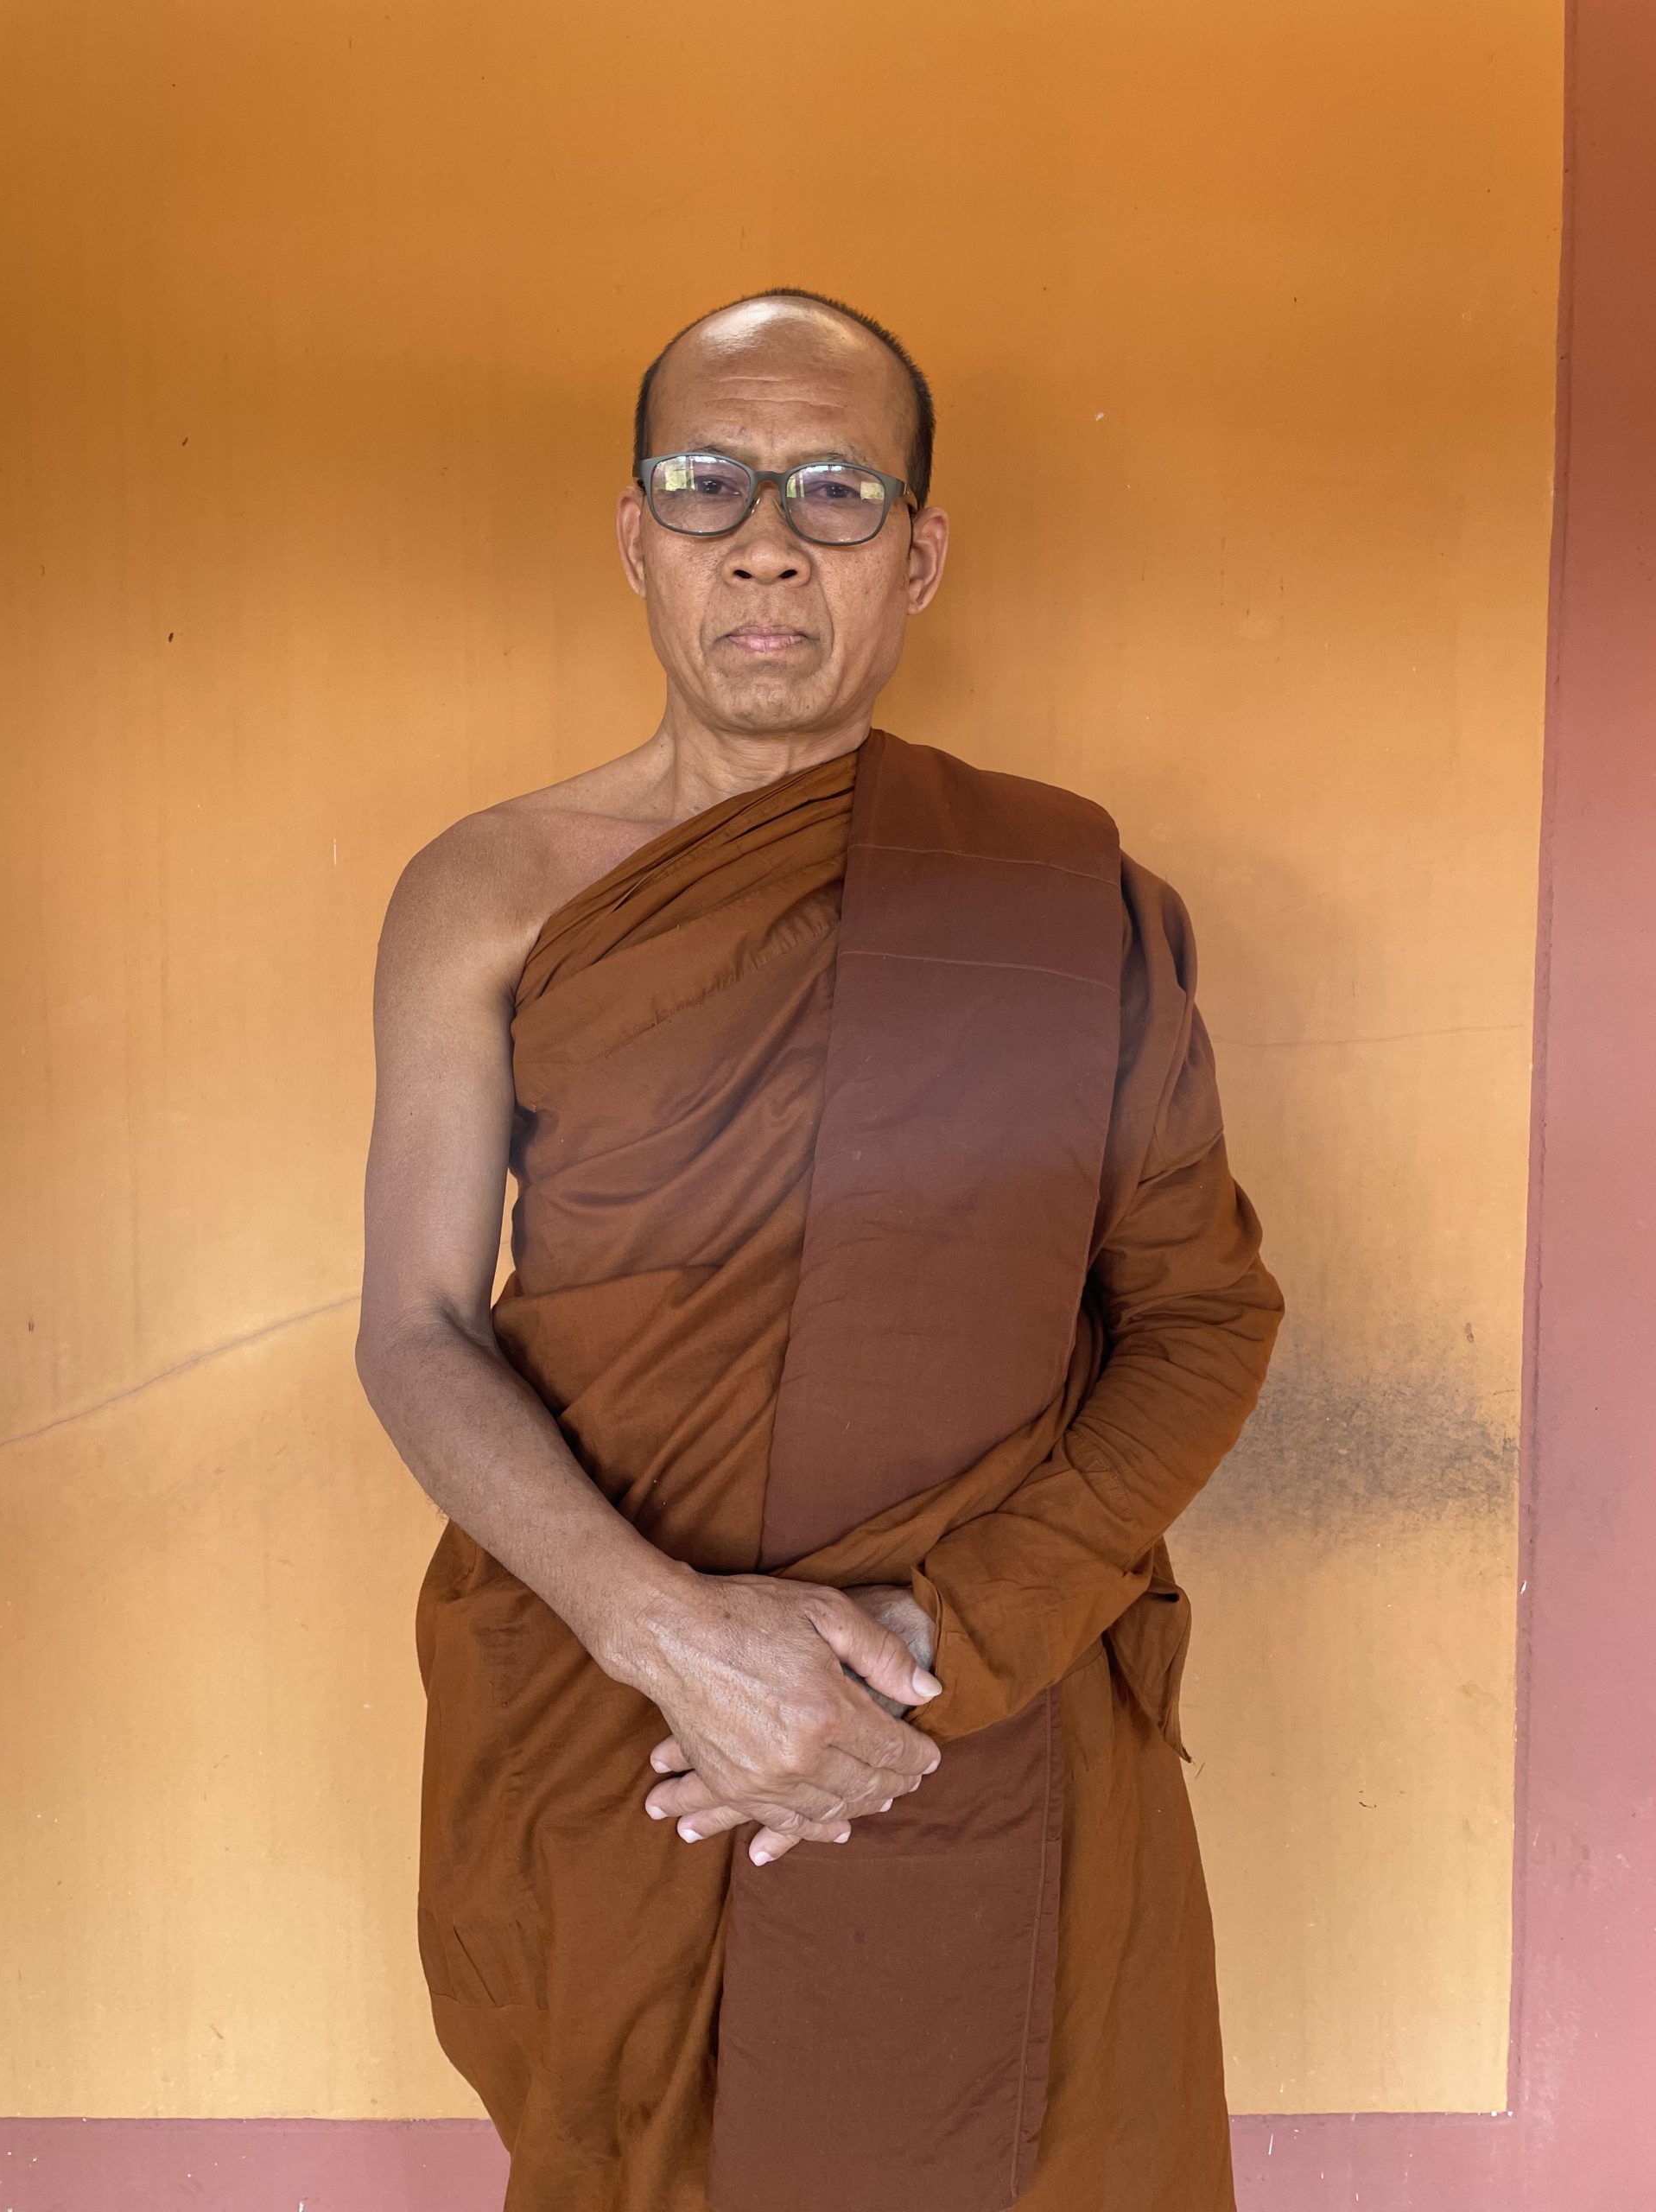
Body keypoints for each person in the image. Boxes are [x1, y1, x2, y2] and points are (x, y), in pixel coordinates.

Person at [355, 288, 1284, 2212]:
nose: (768, 541)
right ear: (637, 538)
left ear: (916, 556)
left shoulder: (1066, 897)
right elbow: (420, 1326)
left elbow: (1199, 1317)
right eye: (709, 483)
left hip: (986, 1718)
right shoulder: (487, 892)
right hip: (619, 1723)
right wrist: (670, 1634)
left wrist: (937, 1644)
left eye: (835, 490)